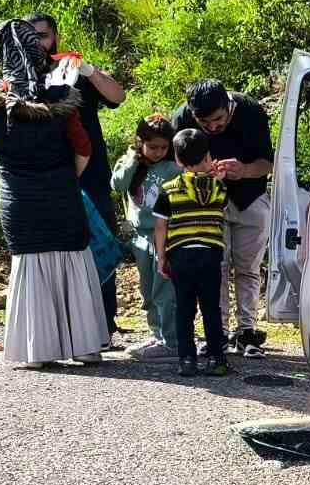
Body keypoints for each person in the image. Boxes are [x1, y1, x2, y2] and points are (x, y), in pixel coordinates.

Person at [0, 19, 106, 369]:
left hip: (19, 201)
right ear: (37, 51)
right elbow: (83, 148)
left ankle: (37, 351)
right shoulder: (61, 97)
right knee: (72, 262)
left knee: (31, 266)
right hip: (63, 197)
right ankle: (84, 347)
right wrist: (67, 179)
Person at [27, 11, 127, 346]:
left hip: (92, 176)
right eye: (31, 35)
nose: (39, 41)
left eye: (43, 35)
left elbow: (117, 96)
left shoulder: (74, 71)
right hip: (48, 179)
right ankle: (62, 330)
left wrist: (87, 69)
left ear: (55, 35)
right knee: (54, 254)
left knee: (100, 248)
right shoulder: (24, 78)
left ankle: (104, 328)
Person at [171, 79, 274, 354]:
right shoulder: (181, 118)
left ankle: (247, 332)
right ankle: (218, 332)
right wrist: (203, 175)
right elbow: (177, 165)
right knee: (216, 267)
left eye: (218, 119)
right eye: (205, 123)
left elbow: (267, 163)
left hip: (251, 198)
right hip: (208, 203)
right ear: (193, 116)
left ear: (228, 105)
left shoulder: (251, 111)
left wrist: (244, 170)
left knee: (248, 268)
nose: (214, 127)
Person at [153, 129, 231, 378]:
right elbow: (222, 206)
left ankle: (187, 360)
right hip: (210, 255)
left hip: (181, 256)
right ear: (208, 156)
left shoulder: (169, 189)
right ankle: (217, 359)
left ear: (177, 160)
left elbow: (161, 226)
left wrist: (162, 257)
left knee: (184, 309)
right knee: (211, 308)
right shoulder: (219, 189)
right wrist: (216, 178)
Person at [110, 114, 182, 362]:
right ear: (140, 143)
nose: (159, 152)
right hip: (140, 237)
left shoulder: (173, 169)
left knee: (165, 289)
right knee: (147, 289)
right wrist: (132, 158)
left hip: (165, 236)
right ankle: (156, 333)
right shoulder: (131, 164)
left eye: (164, 147)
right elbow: (117, 185)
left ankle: (171, 341)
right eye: (152, 147)